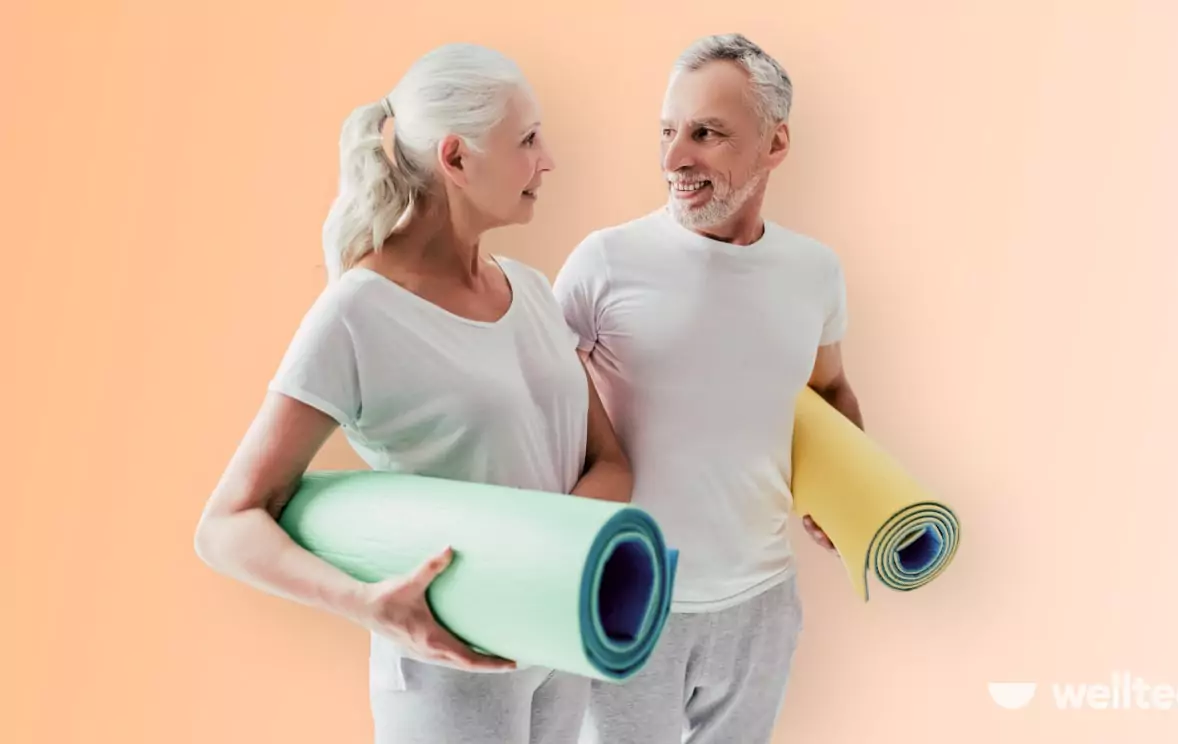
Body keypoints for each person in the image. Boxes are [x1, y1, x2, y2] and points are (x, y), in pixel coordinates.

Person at [194, 43, 632, 744]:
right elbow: (227, 524)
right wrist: (368, 604)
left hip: (557, 636)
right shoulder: (360, 314)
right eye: (526, 140)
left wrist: (545, 565)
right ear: (456, 159)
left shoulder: (533, 292)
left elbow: (612, 461)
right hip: (446, 670)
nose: (547, 159)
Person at [552, 33, 864, 744]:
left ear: (775, 144)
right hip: (627, 600)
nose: (674, 160)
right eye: (666, 132)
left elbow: (833, 388)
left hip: (762, 605)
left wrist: (847, 497)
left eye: (707, 134)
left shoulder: (813, 272)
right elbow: (532, 406)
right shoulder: (604, 262)